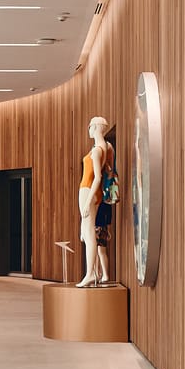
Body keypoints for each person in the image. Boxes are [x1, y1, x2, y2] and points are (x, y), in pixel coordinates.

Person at [77, 116, 117, 287]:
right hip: (91, 192)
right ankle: (92, 272)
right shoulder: (106, 147)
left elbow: (97, 177)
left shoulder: (97, 150)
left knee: (89, 233)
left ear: (96, 127)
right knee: (87, 232)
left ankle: (90, 273)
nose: (88, 129)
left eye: (90, 126)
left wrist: (87, 203)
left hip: (88, 190)